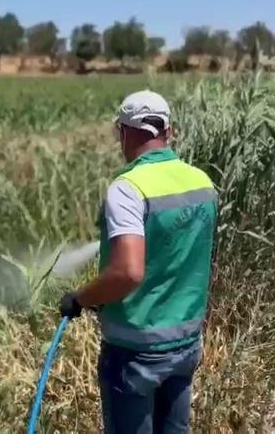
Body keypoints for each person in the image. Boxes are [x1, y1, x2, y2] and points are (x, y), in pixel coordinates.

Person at [59, 90, 217, 434]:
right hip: (186, 344)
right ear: (169, 132)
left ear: (126, 133)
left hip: (136, 352)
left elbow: (128, 272)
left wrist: (81, 298)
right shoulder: (201, 182)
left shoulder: (128, 189)